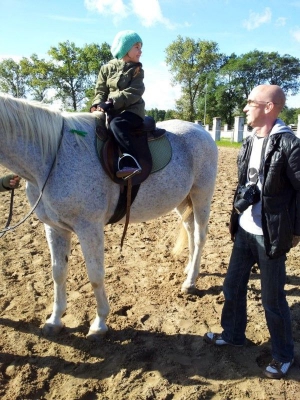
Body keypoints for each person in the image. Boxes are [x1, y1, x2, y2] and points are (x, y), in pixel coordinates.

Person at [204, 84, 300, 380]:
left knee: (273, 300)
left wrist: (294, 231)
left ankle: (284, 355)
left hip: (271, 235)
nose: (245, 108)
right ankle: (233, 334)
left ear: (269, 107)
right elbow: (245, 183)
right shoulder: (248, 141)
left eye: (250, 102)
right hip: (245, 230)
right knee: (232, 287)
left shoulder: (289, 144)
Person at [91, 30, 145, 180]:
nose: (140, 51)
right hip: (111, 111)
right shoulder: (106, 69)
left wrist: (111, 101)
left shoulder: (137, 70)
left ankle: (131, 161)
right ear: (124, 48)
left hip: (132, 111)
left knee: (117, 125)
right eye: (137, 47)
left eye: (141, 47)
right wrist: (97, 104)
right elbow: (100, 90)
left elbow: (134, 92)